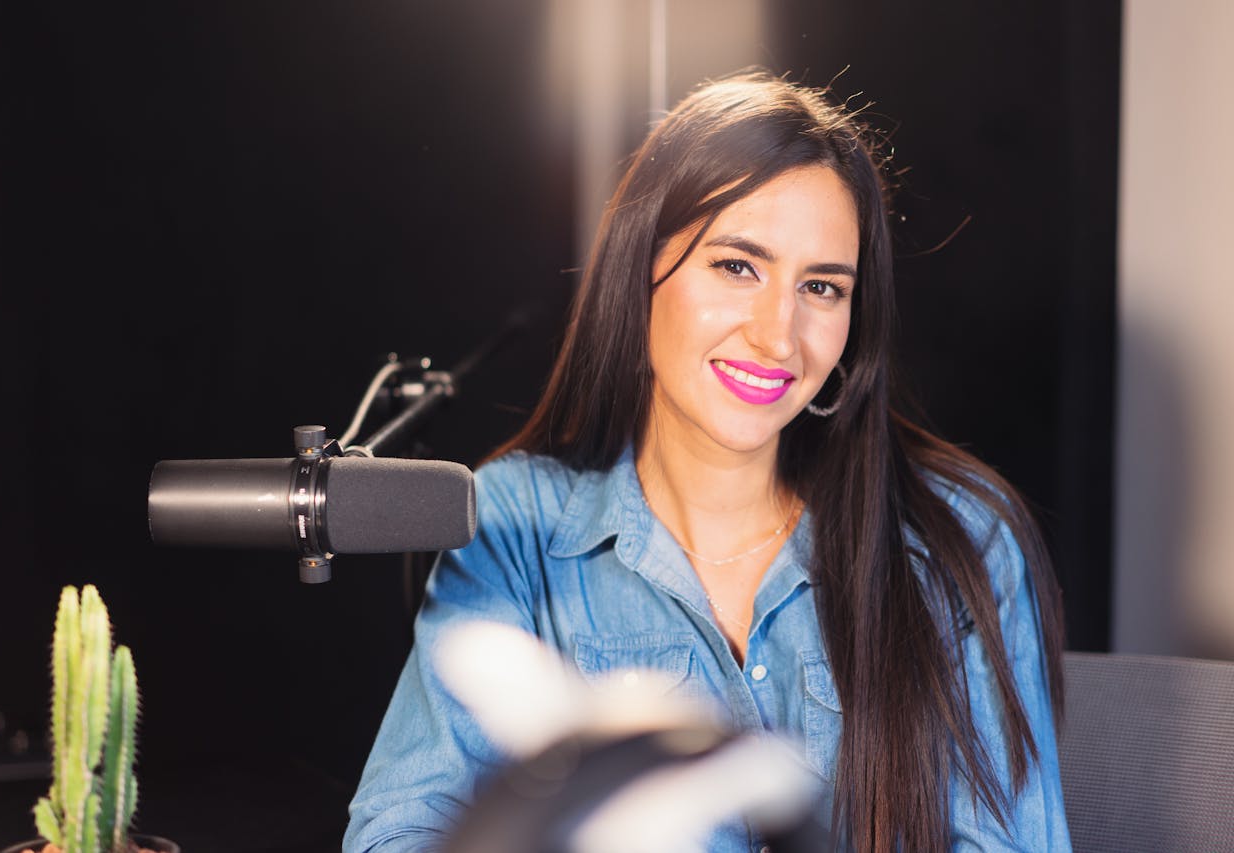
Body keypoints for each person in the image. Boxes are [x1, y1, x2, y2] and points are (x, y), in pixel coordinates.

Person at [345, 69, 1070, 852]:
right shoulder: (515, 525)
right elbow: (399, 832)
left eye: (822, 287)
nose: (777, 335)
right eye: (737, 266)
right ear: (642, 269)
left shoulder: (959, 535)